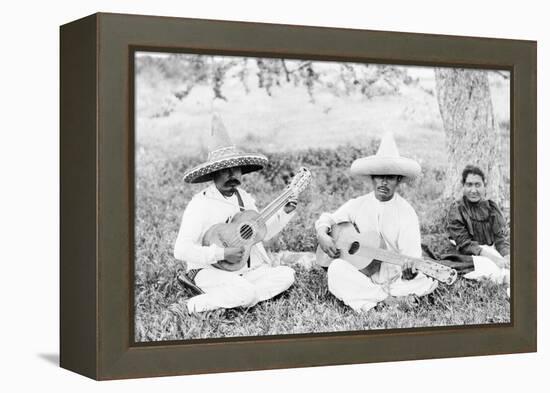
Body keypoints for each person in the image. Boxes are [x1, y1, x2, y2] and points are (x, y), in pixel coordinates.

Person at [174, 114, 297, 313]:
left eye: (236, 169)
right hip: (208, 270)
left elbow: (258, 234)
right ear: (213, 174)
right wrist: (222, 253)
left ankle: (233, 297)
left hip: (242, 270)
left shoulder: (244, 198)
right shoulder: (200, 204)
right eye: (225, 171)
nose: (233, 176)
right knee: (247, 292)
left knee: (287, 275)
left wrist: (285, 213)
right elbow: (180, 250)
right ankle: (190, 306)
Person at [315, 133, 438, 312]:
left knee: (420, 283)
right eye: (379, 176)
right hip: (364, 274)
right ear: (372, 178)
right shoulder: (358, 203)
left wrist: (409, 273)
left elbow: (412, 257)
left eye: (389, 177)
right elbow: (328, 218)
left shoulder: (406, 213)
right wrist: (322, 234)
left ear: (398, 180)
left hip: (396, 279)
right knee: (336, 269)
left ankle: (373, 298)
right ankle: (388, 300)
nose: (383, 182)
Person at [442, 165, 510, 294]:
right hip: (466, 255)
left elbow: (500, 239)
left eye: (478, 185)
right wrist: (494, 259)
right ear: (463, 186)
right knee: (493, 269)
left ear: (485, 186)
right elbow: (465, 245)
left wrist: (506, 256)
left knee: (513, 265)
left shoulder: (491, 208)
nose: (473, 190)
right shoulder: (457, 209)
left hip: (489, 250)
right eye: (469, 185)